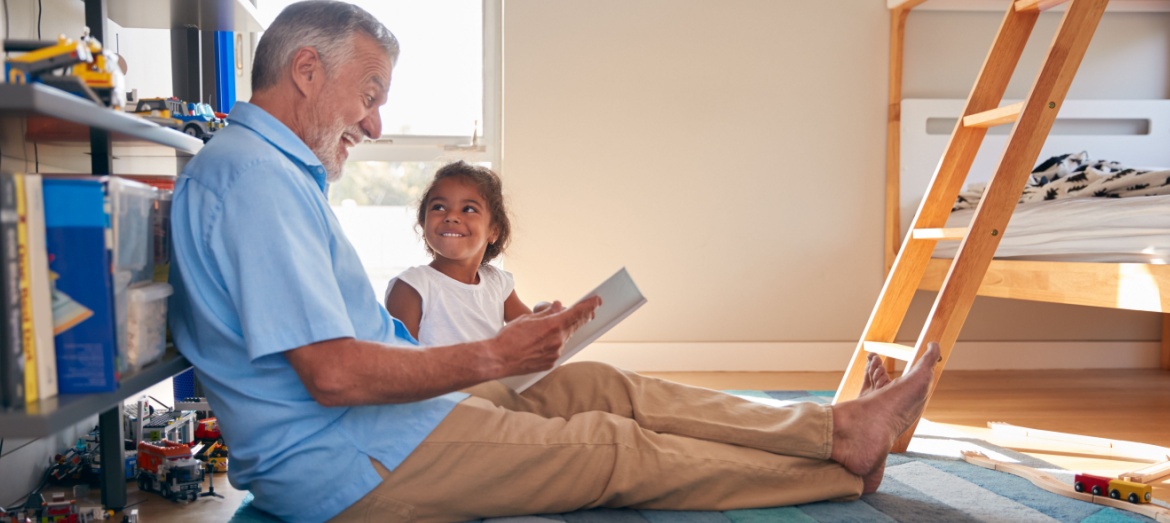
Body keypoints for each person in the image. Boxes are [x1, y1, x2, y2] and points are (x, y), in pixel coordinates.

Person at [167, 2, 940, 522]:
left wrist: (503, 354)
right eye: (369, 93)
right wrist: (491, 354)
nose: (374, 121)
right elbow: (331, 376)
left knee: (597, 384)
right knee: (610, 447)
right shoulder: (252, 182)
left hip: (390, 423)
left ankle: (831, 427)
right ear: (306, 71)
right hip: (348, 462)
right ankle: (839, 467)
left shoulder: (273, 175)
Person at [384, 161, 543, 346]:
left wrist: (550, 315)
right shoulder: (412, 286)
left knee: (582, 371)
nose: (451, 216)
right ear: (423, 222)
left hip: (500, 375)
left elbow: (536, 336)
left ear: (494, 231)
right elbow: (400, 363)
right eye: (439, 207)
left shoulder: (497, 283)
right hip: (445, 376)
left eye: (468, 209)